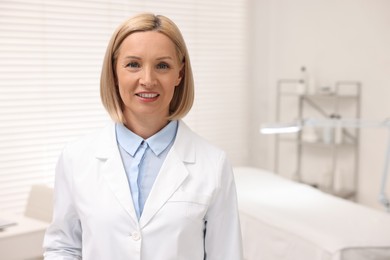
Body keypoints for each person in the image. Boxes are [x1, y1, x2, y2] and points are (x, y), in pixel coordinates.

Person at [43, 13, 243, 260]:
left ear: (179, 74)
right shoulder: (76, 158)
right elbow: (63, 247)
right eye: (133, 64)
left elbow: (226, 255)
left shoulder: (213, 164)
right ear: (115, 72)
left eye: (162, 66)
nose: (147, 80)